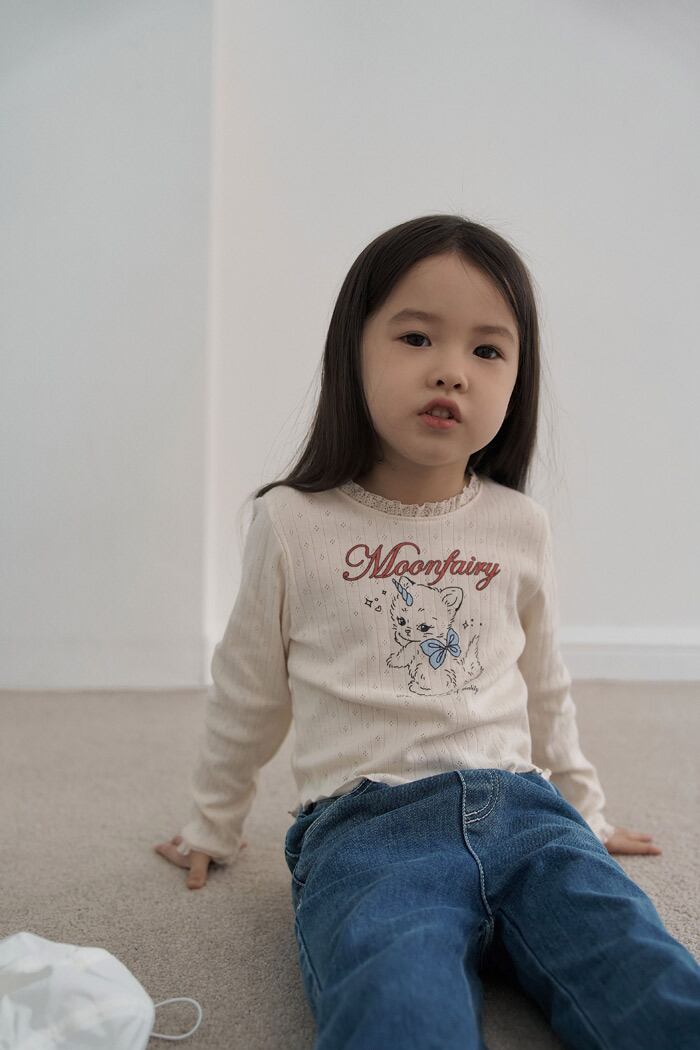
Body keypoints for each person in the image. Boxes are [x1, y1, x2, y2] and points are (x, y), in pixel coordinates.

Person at [154, 214, 700, 1049]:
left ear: (518, 379)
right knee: (397, 1006)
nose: (451, 370)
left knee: (646, 973)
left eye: (487, 350)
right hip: (370, 832)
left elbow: (545, 686)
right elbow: (248, 690)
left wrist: (585, 812)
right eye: (416, 338)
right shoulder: (293, 523)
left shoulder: (519, 526)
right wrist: (212, 824)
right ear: (353, 351)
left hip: (527, 814)